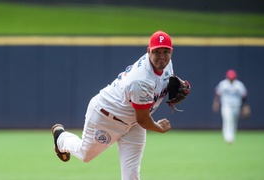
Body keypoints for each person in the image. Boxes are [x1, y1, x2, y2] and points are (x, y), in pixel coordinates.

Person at [51, 30, 189, 180]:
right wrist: (159, 128)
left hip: (134, 122)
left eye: (166, 51)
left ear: (171, 52)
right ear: (149, 51)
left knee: (131, 176)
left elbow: (158, 88)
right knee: (85, 154)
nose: (162, 56)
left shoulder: (167, 66)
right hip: (106, 117)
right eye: (157, 51)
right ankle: (61, 138)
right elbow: (144, 119)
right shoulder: (140, 81)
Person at [212, 69, 250, 144]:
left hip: (236, 105)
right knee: (227, 119)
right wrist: (216, 103)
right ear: (227, 77)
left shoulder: (239, 85)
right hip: (226, 105)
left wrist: (245, 106)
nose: (231, 79)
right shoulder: (223, 84)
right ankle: (228, 137)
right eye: (230, 77)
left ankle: (232, 136)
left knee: (234, 121)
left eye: (232, 77)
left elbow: (244, 96)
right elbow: (218, 94)